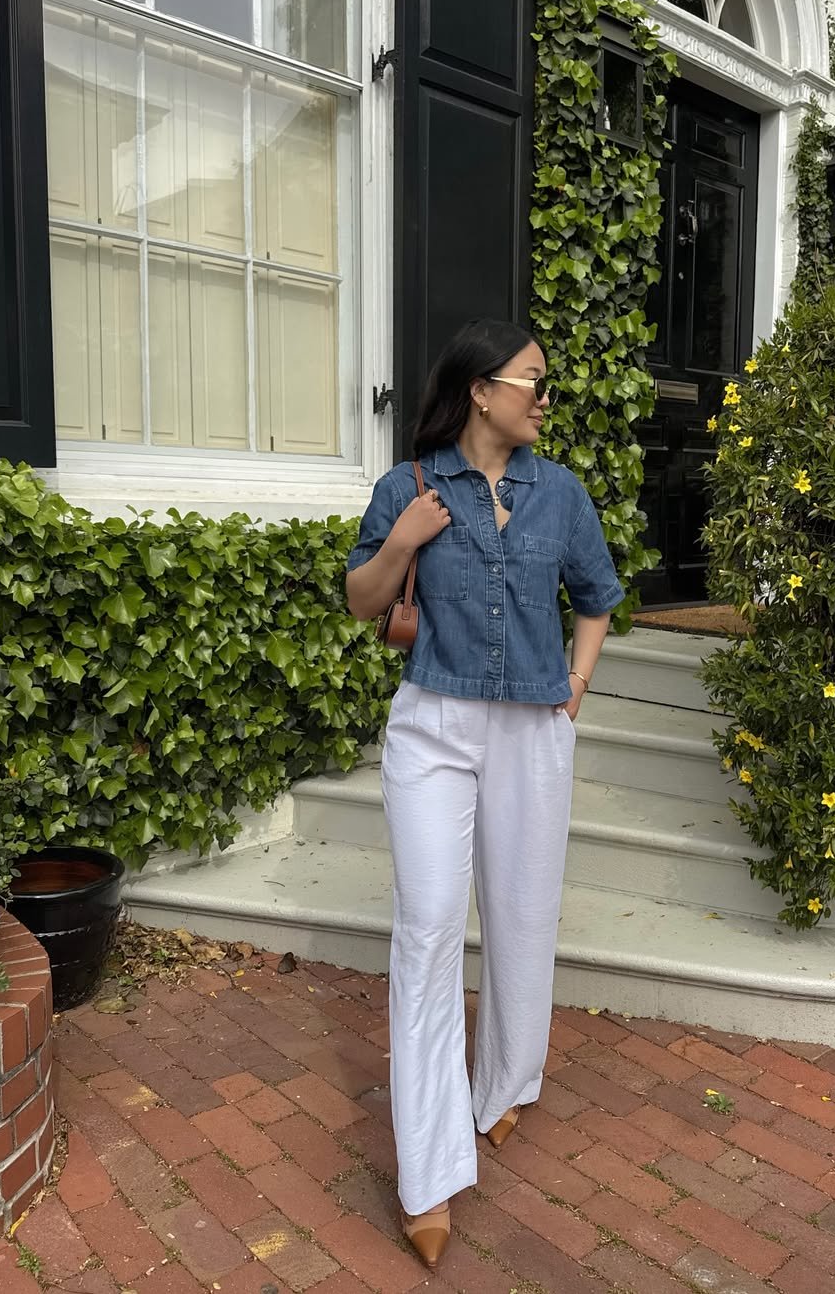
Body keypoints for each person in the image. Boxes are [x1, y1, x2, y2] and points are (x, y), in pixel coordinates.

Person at [345, 318, 624, 1269]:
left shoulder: (563, 494)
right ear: (480, 392)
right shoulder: (408, 487)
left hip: (533, 729)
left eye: (546, 386)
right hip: (434, 725)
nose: (543, 400)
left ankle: (504, 1085)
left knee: (520, 915)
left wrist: (576, 688)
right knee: (426, 926)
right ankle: (428, 1170)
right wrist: (405, 542)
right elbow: (362, 601)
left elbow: (597, 597)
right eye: (532, 383)